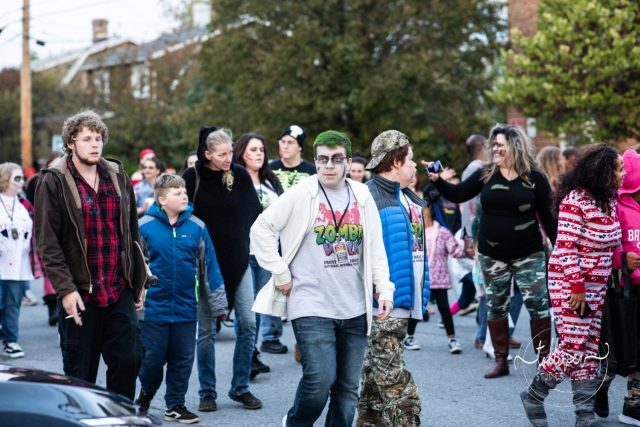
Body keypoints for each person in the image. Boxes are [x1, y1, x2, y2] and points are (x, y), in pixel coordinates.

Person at [251, 130, 394, 427]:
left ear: (348, 162)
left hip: (355, 306)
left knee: (347, 390)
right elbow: (261, 228)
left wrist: (384, 288)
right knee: (319, 381)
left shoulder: (362, 195)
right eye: (323, 159)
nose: (329, 165)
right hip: (310, 303)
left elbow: (376, 246)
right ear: (315, 161)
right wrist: (280, 272)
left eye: (337, 159)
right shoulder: (301, 193)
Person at [425, 124, 557, 379]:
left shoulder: (534, 177)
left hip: (528, 254)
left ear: (515, 146)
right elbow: (458, 193)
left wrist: (561, 250)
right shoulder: (485, 173)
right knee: (497, 306)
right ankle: (500, 361)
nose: (495, 148)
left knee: (538, 306)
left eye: (500, 144)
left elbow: (549, 218)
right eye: (493, 144)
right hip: (492, 255)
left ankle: (544, 363)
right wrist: (437, 180)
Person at [34, 110, 146, 400]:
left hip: (117, 287)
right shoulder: (54, 180)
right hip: (80, 292)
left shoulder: (117, 176)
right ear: (71, 143)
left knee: (129, 362)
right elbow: (47, 242)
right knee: (80, 374)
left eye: (98, 138)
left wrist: (139, 280)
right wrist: (65, 289)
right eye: (86, 139)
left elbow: (132, 233)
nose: (95, 144)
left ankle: (120, 417)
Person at [520, 144, 629, 426]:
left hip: (597, 286)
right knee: (572, 347)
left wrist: (622, 260)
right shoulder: (575, 200)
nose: (624, 173)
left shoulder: (609, 200)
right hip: (570, 283)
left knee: (589, 348)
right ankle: (534, 395)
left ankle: (584, 414)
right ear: (602, 171)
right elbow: (566, 247)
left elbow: (611, 245)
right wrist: (578, 287)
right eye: (619, 169)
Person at [183, 127, 263, 411]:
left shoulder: (239, 175)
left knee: (249, 323)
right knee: (206, 331)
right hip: (207, 265)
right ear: (207, 154)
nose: (229, 158)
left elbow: (254, 211)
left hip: (239, 259)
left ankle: (240, 387)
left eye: (230, 152)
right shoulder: (191, 178)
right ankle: (207, 392)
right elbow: (181, 215)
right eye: (222, 154)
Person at [135, 174, 225, 424]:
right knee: (152, 360)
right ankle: (145, 396)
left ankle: (175, 405)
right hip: (153, 309)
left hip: (186, 308)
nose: (184, 196)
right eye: (177, 193)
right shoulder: (144, 226)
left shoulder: (197, 227)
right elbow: (133, 267)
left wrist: (218, 303)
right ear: (162, 199)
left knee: (182, 360)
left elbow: (210, 267)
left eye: (184, 191)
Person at [357, 130, 428, 426]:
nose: (414, 165)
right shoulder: (370, 198)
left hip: (402, 303)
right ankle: (407, 420)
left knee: (374, 378)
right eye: (410, 159)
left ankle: (369, 420)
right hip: (384, 307)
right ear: (396, 161)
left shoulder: (407, 197)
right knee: (393, 378)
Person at [232, 133, 285, 378]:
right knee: (247, 310)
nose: (258, 154)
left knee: (261, 305)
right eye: (253, 149)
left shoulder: (271, 181)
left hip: (268, 254)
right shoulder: (233, 180)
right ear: (241, 152)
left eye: (261, 150)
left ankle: (252, 354)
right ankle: (247, 356)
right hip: (244, 252)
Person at [410, 202, 467, 354]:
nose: (421, 211)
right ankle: (409, 337)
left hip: (439, 277)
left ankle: (452, 339)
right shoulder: (414, 231)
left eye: (424, 208)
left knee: (444, 310)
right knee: (417, 309)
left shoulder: (442, 232)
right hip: (420, 277)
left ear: (431, 210)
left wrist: (467, 249)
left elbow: (455, 250)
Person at [0, 163, 42, 358]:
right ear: (4, 179)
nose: (21, 182)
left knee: (13, 304)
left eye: (21, 178)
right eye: (16, 178)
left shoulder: (24, 205)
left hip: (19, 263)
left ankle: (10, 340)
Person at [269, 124, 316, 191]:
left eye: (290, 142)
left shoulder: (313, 171)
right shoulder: (269, 169)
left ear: (300, 147)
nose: (285, 146)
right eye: (283, 142)